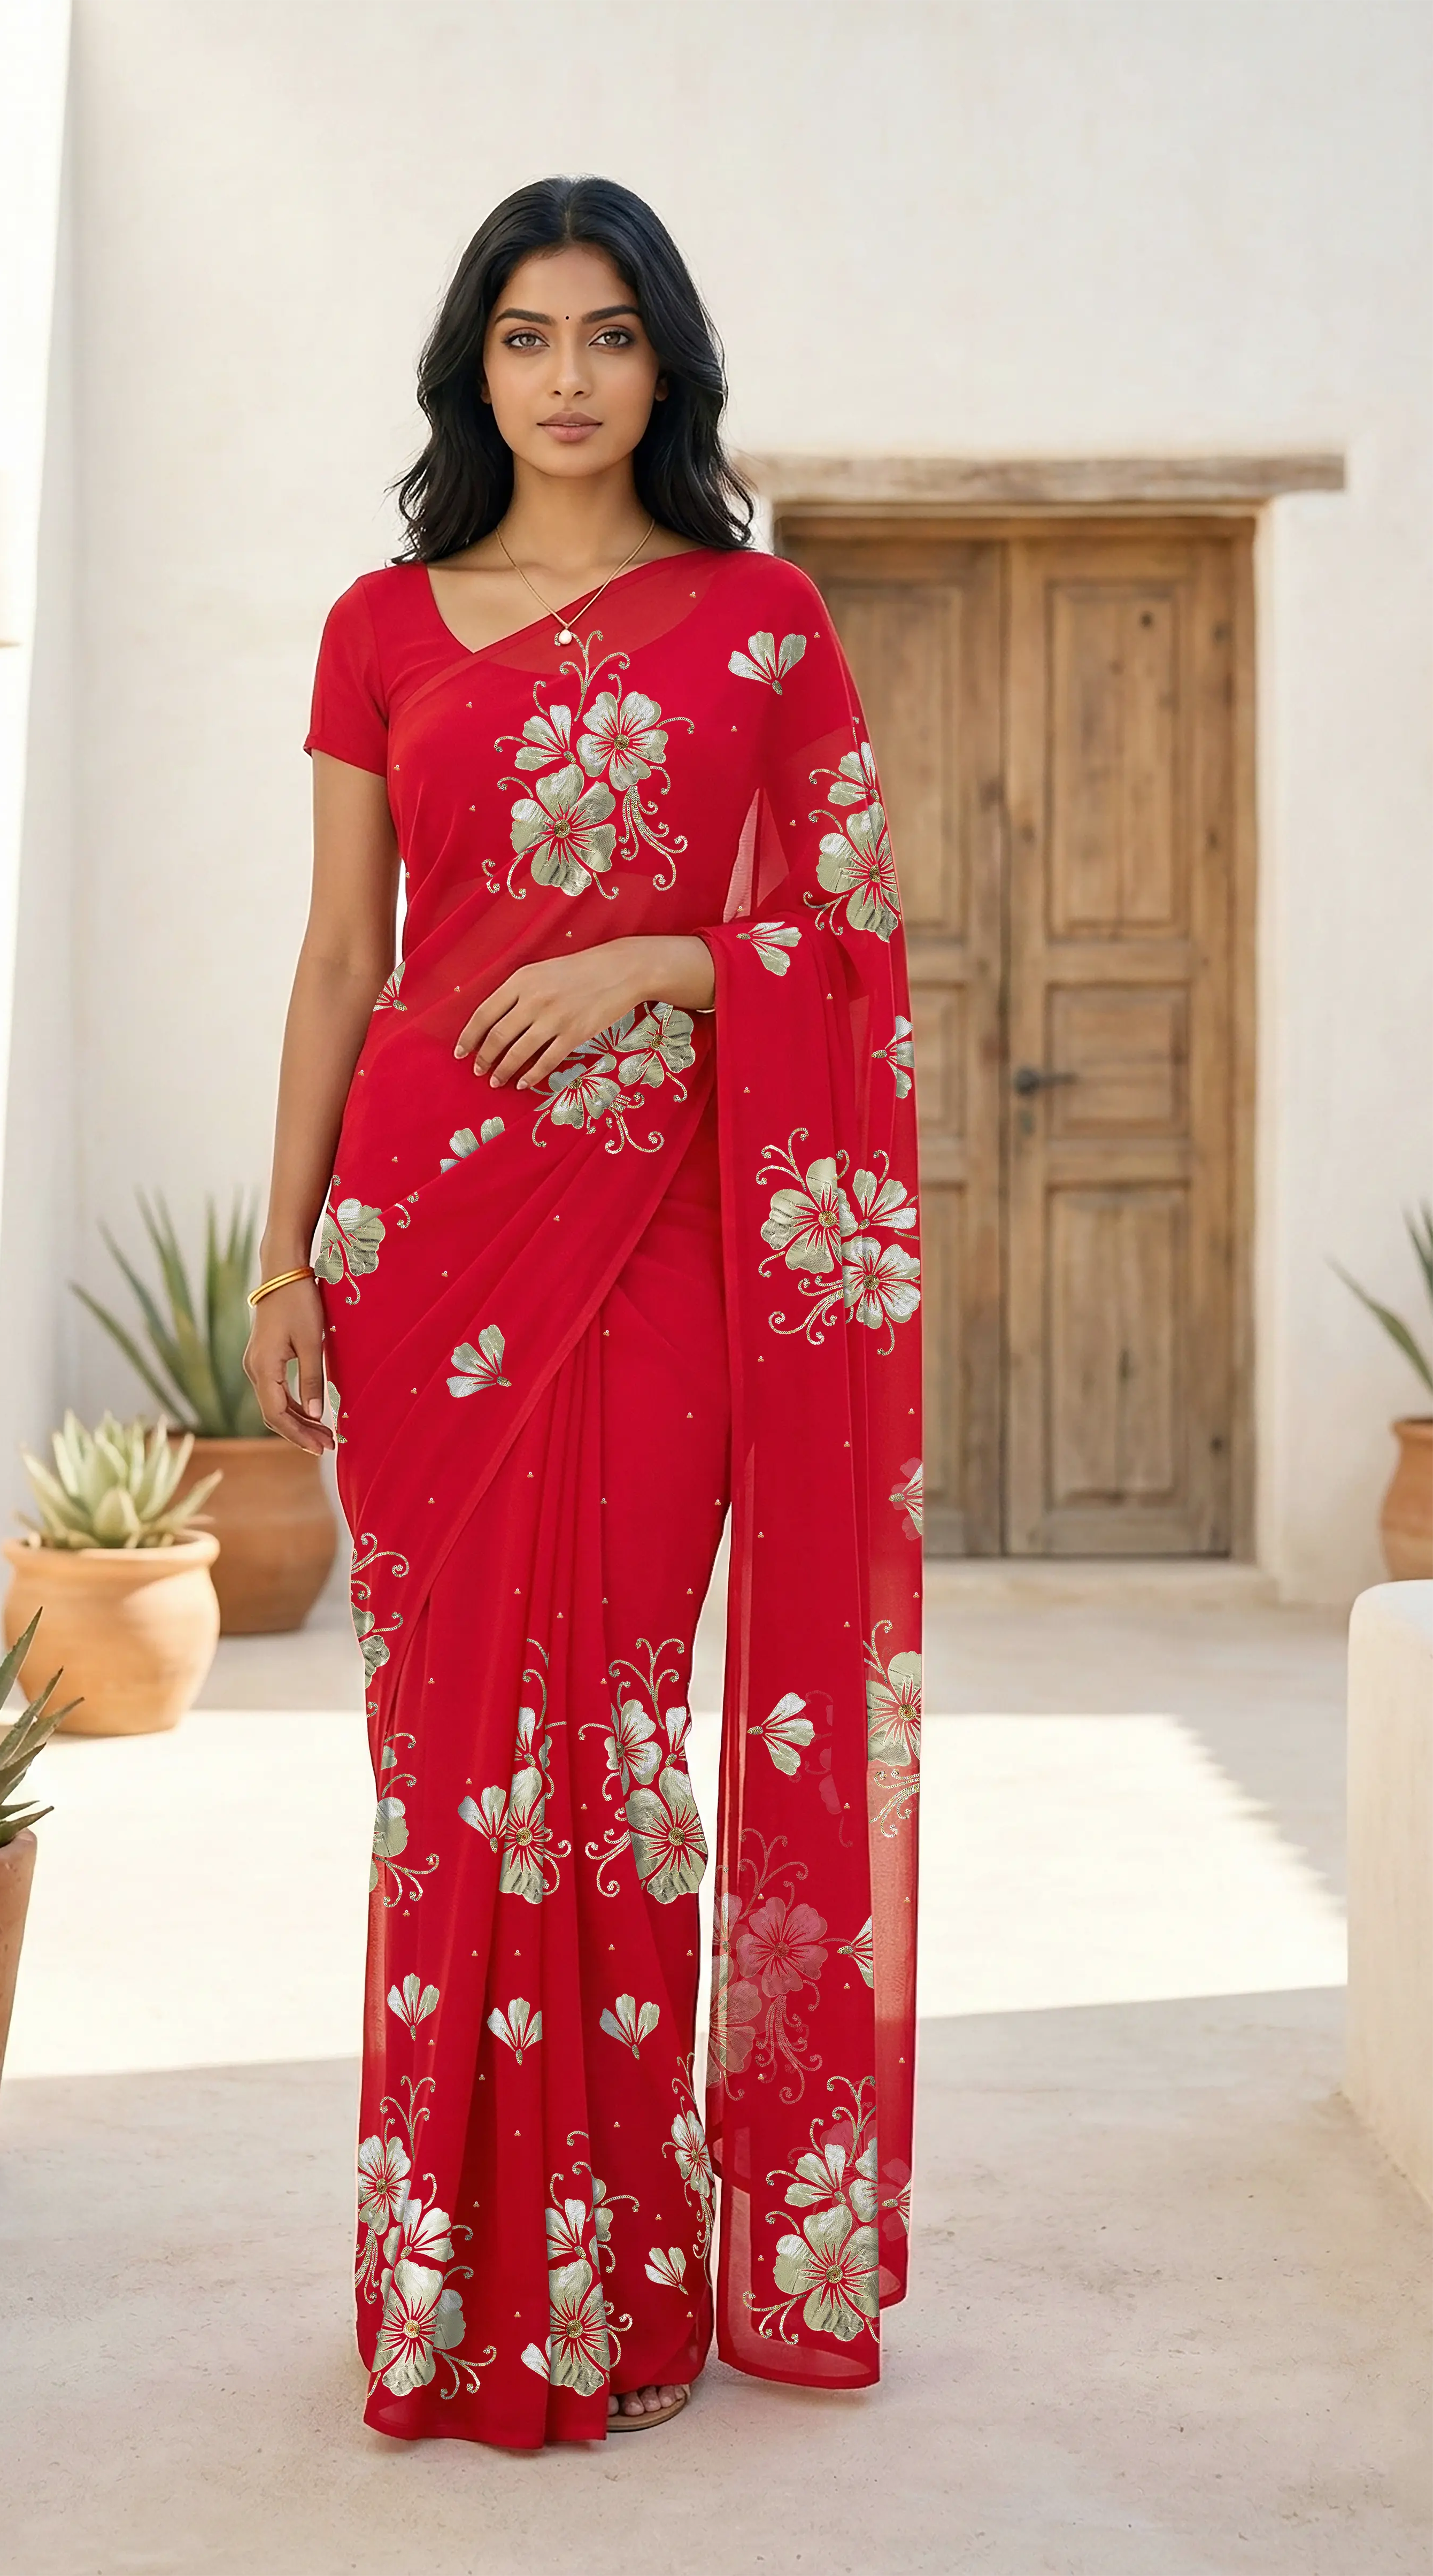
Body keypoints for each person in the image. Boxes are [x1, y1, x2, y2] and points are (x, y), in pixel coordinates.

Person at [244, 174, 922, 2450]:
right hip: (419, 1228)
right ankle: (447, 2292)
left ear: (666, 364)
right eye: (524, 336)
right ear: (473, 367)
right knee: (446, 1784)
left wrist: (663, 961)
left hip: (657, 1252)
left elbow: (849, 946)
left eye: (607, 334)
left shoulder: (757, 620)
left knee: (613, 1755)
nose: (564, 377)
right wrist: (277, 1250)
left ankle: (620, 2284)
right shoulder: (379, 619)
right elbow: (343, 958)